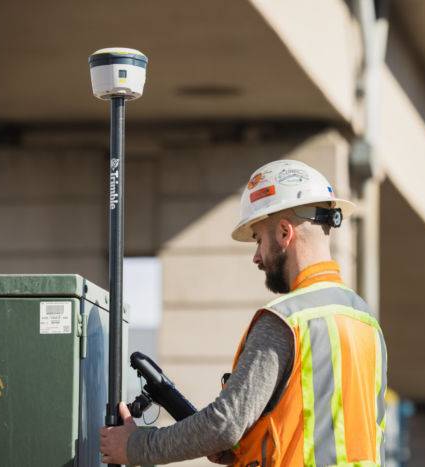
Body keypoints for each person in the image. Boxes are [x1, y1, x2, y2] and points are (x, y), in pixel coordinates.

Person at [100, 159, 387, 466]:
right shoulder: (366, 322)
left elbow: (225, 423)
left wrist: (136, 446)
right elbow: (321, 430)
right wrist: (243, 446)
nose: (256, 257)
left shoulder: (287, 320)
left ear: (284, 233)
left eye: (259, 239)